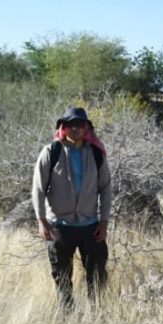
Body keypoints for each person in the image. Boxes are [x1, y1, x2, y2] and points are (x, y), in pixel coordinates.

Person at [31, 107, 112, 307]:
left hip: (91, 226)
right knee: (62, 275)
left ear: (86, 128)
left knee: (97, 274)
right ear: (63, 127)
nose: (75, 128)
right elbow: (38, 188)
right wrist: (42, 220)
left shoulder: (96, 153)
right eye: (70, 125)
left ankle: (97, 313)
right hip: (60, 225)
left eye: (80, 124)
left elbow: (106, 188)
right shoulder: (52, 151)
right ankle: (67, 316)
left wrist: (104, 222)